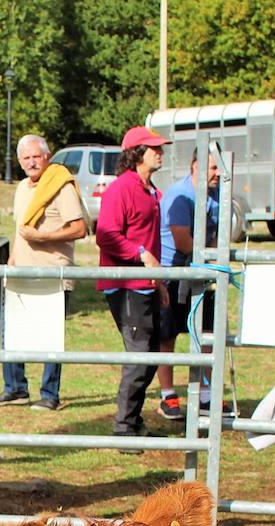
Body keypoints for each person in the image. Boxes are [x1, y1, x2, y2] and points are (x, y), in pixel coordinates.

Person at [0, 134, 85, 412]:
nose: (31, 162)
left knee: (50, 337)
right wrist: (11, 266)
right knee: (10, 331)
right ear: (19, 162)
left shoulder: (60, 185)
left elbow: (79, 229)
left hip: (53, 274)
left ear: (47, 156)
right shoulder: (22, 189)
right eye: (26, 158)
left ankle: (50, 394)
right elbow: (20, 231)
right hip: (21, 274)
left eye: (36, 156)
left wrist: (43, 237)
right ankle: (15, 388)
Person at [96, 125, 171, 450]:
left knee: (150, 356)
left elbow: (152, 242)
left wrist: (159, 280)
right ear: (136, 153)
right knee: (139, 356)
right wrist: (140, 254)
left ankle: (134, 421)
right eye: (154, 148)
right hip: (126, 286)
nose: (160, 152)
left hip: (146, 285)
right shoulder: (122, 188)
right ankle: (123, 428)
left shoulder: (150, 189)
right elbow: (106, 234)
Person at [154, 148, 219, 420]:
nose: (218, 175)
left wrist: (213, 263)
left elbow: (216, 236)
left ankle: (206, 396)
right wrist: (212, 257)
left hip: (201, 271)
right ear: (195, 166)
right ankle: (167, 396)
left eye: (220, 169)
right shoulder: (180, 196)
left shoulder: (216, 196)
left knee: (206, 333)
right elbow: (183, 241)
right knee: (167, 336)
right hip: (173, 273)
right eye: (213, 168)